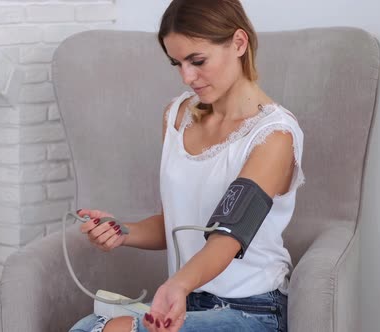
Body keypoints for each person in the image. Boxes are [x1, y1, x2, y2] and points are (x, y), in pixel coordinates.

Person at [70, 0, 304, 331]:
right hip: (189, 300)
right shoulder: (177, 116)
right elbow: (178, 222)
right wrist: (122, 231)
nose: (187, 77)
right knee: (86, 328)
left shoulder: (274, 136)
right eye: (177, 63)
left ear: (239, 43)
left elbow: (227, 234)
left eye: (197, 61)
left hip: (252, 309)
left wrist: (178, 284)